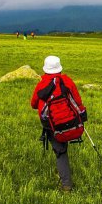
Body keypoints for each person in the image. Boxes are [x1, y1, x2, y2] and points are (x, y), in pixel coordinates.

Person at [31, 55, 86, 192]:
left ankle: (66, 184)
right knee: (63, 142)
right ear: (59, 68)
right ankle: (65, 178)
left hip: (50, 124)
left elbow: (33, 104)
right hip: (69, 120)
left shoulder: (41, 85)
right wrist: (82, 115)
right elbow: (77, 100)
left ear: (45, 70)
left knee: (60, 151)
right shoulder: (67, 81)